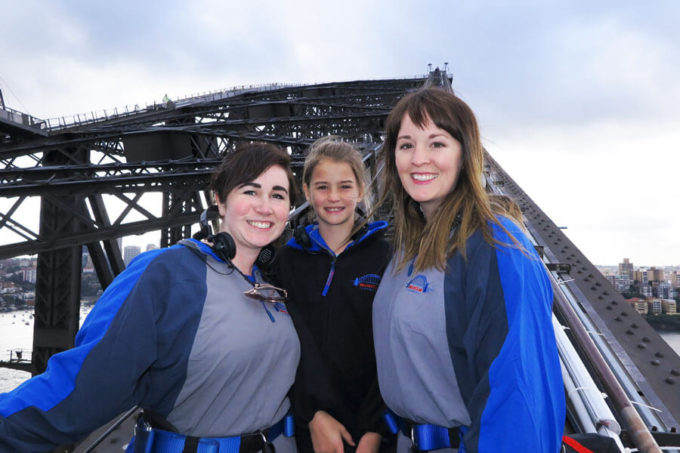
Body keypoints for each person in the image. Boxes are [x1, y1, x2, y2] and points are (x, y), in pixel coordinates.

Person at [0, 143, 301, 453]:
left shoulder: (273, 284)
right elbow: (84, 388)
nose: (265, 207)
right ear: (220, 201)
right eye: (250, 191)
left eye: (277, 195)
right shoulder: (168, 272)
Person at [371, 88, 565, 453]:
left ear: (465, 153)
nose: (419, 159)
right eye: (406, 145)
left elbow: (515, 397)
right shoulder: (408, 246)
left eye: (437, 144)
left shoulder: (495, 244)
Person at [274, 137, 393, 453]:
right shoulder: (286, 260)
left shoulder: (388, 257)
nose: (334, 197)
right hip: (308, 427)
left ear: (362, 190)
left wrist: (375, 429)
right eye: (323, 187)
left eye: (345, 186)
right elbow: (285, 346)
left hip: (375, 430)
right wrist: (311, 414)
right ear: (307, 191)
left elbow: (395, 348)